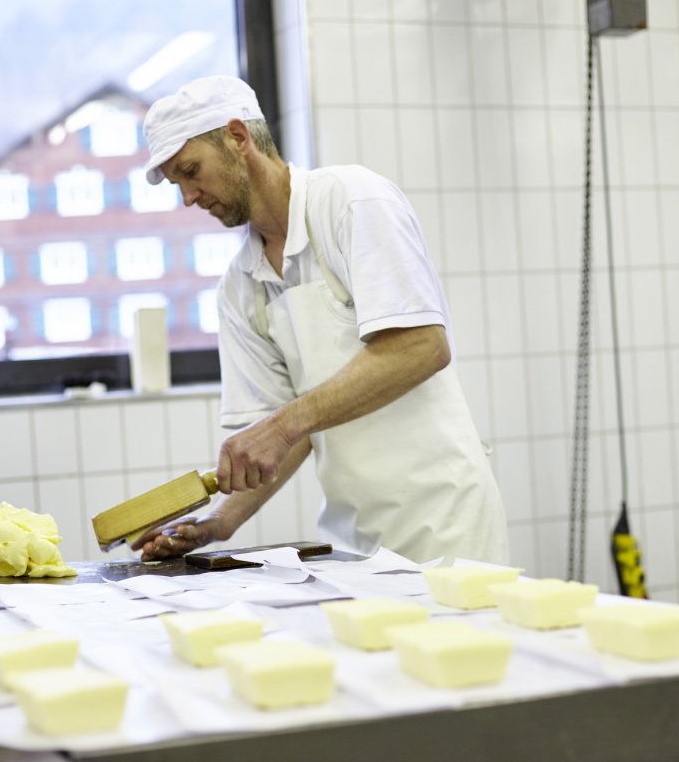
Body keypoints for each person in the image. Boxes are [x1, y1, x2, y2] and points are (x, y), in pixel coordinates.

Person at [132, 75, 509, 565]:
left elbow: (421, 347)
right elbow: (282, 438)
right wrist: (218, 522)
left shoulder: (350, 201)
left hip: (445, 524)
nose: (188, 198)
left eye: (190, 171)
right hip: (351, 539)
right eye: (178, 184)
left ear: (238, 138)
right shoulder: (240, 287)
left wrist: (283, 425)